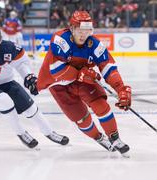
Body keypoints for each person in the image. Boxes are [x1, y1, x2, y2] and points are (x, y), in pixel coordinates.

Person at [26, 11, 132, 155]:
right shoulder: (60, 39)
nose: (84, 34)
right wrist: (79, 73)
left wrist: (120, 88)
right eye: (80, 30)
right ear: (72, 28)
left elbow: (108, 67)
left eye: (88, 30)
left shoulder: (94, 44)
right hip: (58, 84)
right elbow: (56, 69)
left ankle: (115, 138)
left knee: (101, 105)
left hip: (83, 80)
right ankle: (99, 137)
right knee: (81, 119)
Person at [0, 23, 69, 149]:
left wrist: (28, 77)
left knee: (31, 108)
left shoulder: (8, 48)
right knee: (5, 101)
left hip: (7, 83)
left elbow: (21, 64)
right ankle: (21, 133)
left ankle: (49, 132)